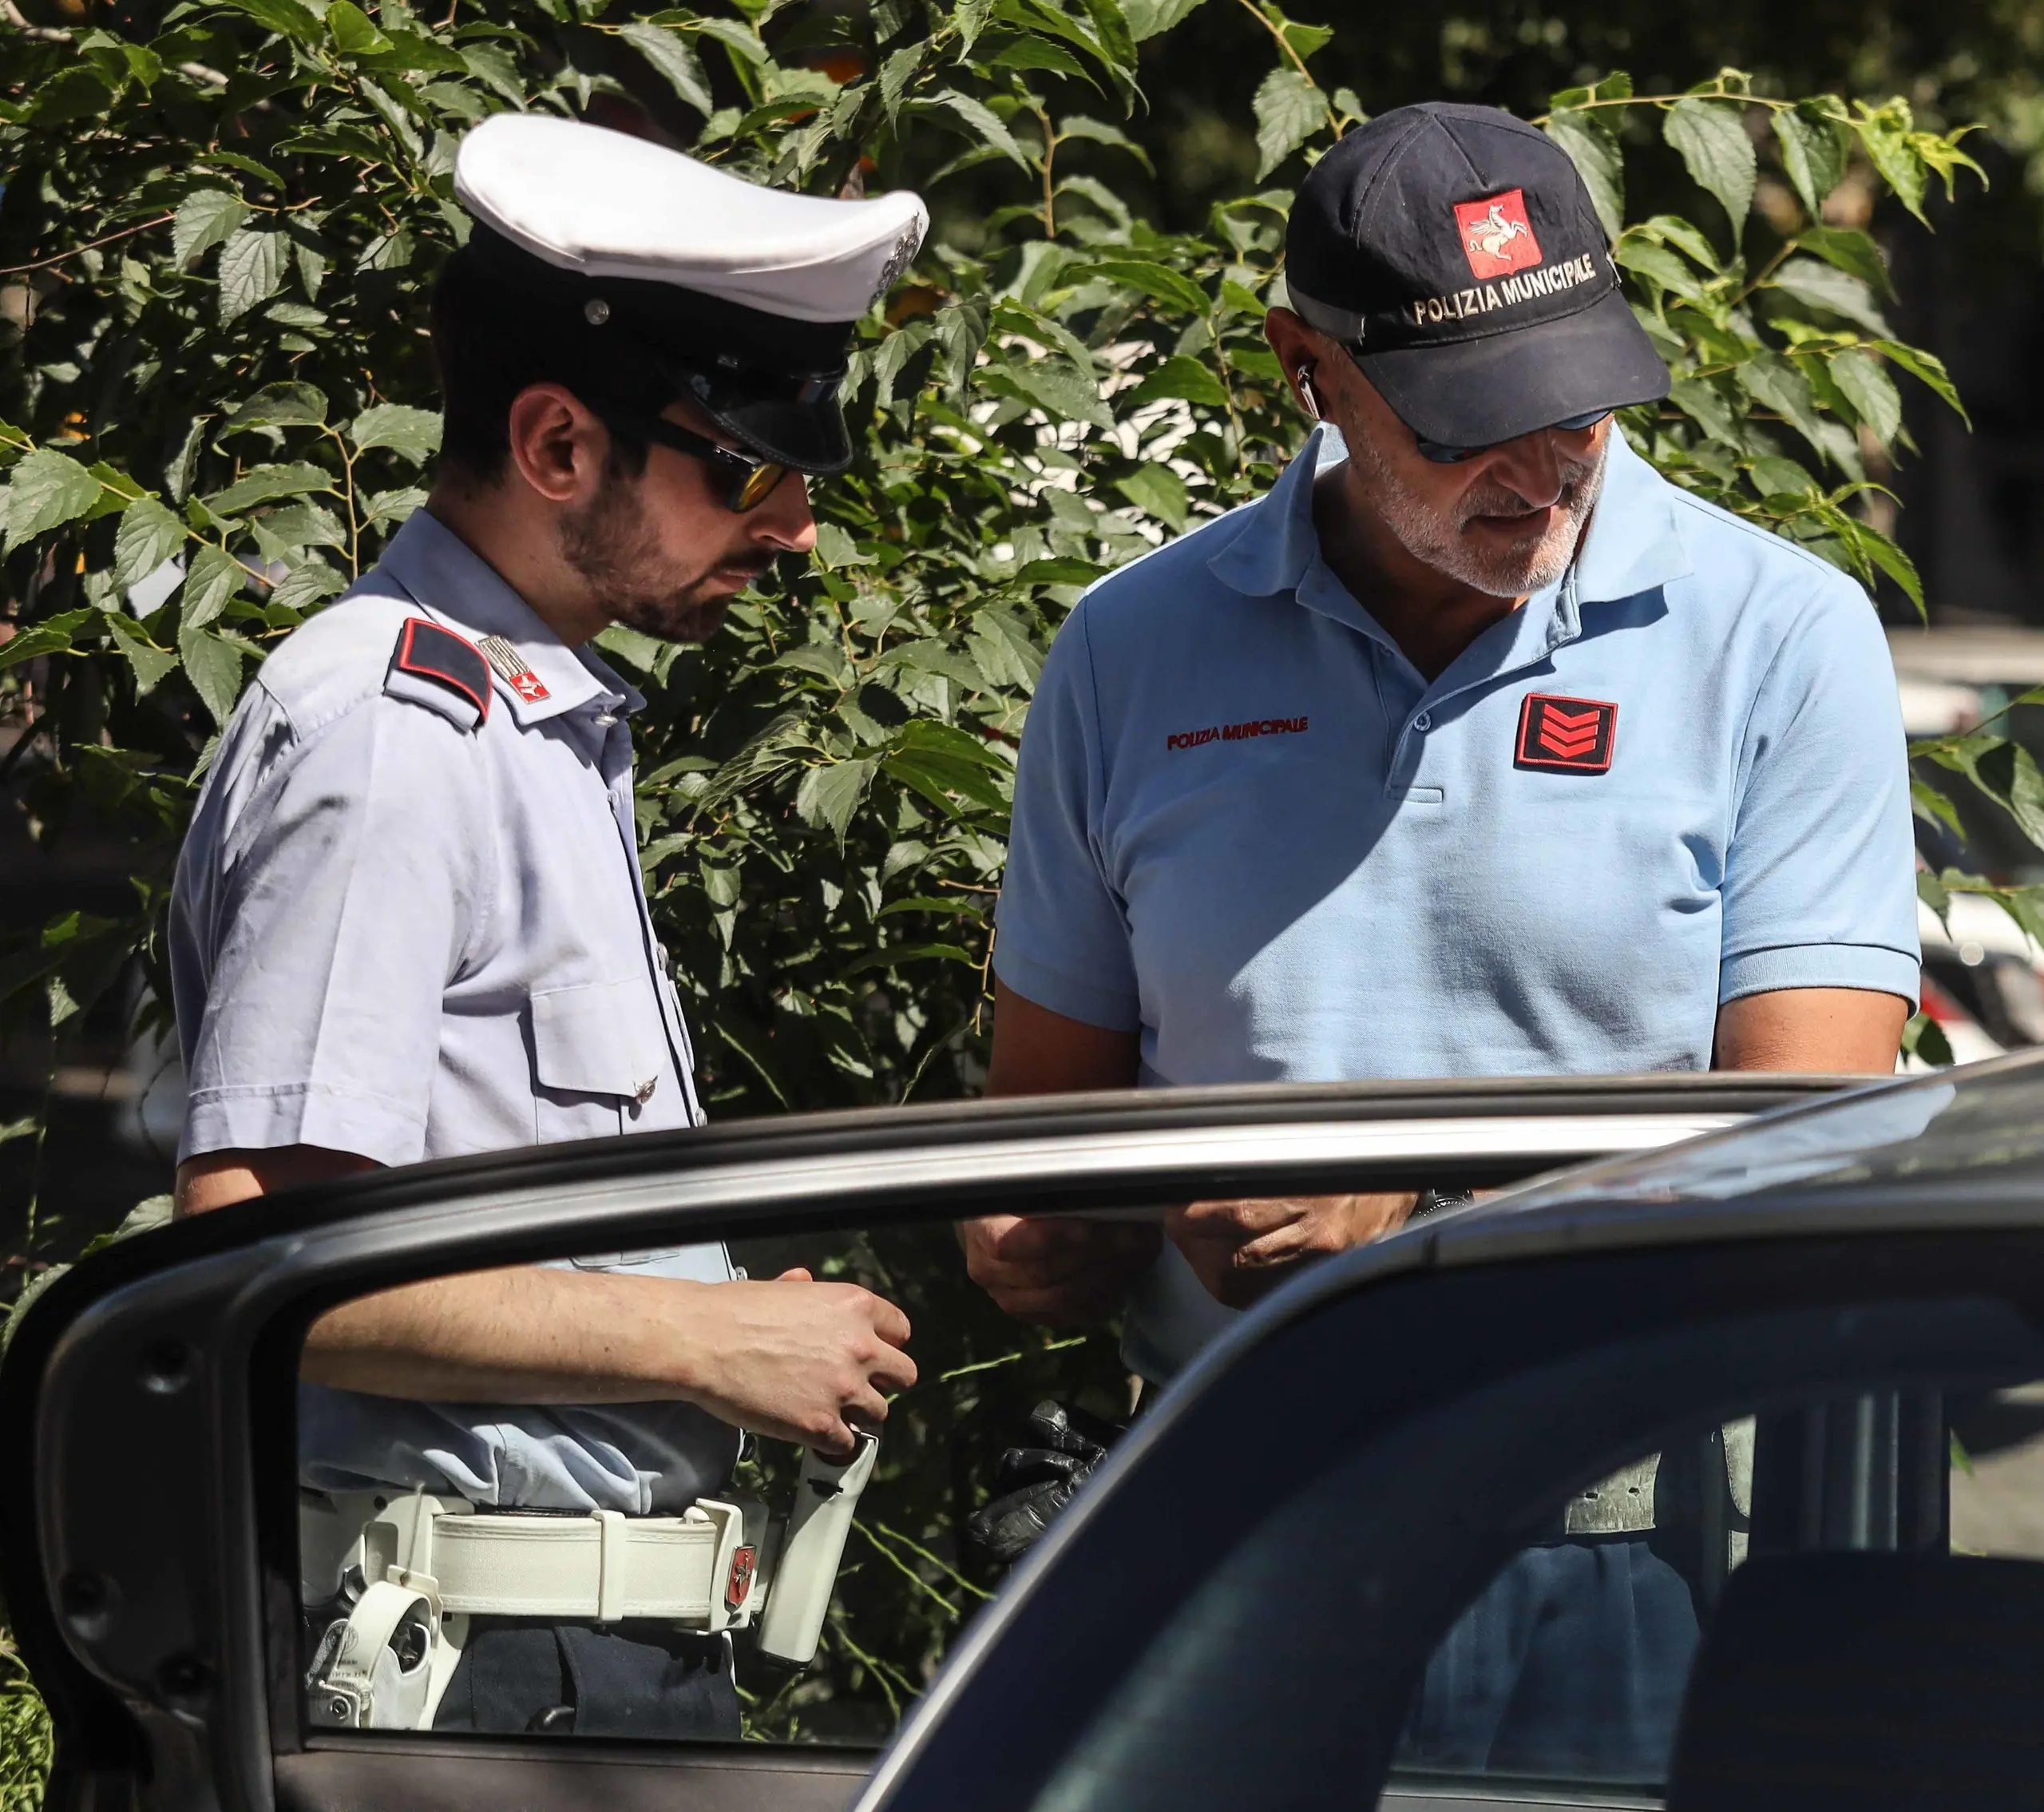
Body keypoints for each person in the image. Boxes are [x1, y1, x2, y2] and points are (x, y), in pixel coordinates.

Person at [960, 101, 1922, 1772]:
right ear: (1306, 371)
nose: (1539, 466)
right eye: (1471, 419)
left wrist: (1419, 1218)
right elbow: (1041, 1127)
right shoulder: (1128, 652)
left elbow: (1808, 1158)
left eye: (1574, 405)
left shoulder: (1776, 636)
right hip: (1218, 1524)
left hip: (1628, 1539)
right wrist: (1036, 1236)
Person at [169, 113, 929, 1739]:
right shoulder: (395, 738)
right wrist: (707, 1339)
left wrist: (712, 1323)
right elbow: (263, 1260)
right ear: (558, 446)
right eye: (745, 466)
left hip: (562, 1669)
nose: (792, 530)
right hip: (472, 1675)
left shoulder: (527, 724)